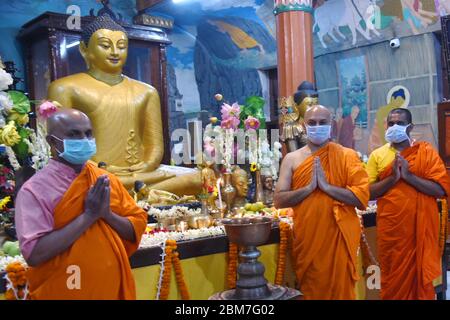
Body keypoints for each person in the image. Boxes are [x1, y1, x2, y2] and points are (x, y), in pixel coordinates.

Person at [47, 14, 201, 194]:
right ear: (84, 49)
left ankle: (134, 192)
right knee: (95, 185)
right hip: (95, 174)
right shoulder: (64, 88)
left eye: (121, 46)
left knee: (199, 178)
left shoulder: (146, 91)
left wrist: (145, 167)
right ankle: (138, 193)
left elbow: (155, 146)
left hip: (142, 174)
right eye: (105, 45)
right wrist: (101, 169)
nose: (114, 52)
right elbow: (61, 146)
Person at [14, 109, 148, 299]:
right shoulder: (34, 191)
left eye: (88, 133)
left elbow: (136, 227)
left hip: (112, 288)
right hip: (64, 291)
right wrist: (89, 216)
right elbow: (35, 253)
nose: (84, 140)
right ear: (52, 142)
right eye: (74, 134)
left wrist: (107, 214)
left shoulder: (105, 179)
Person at [274, 105, 369, 300]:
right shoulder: (291, 159)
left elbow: (361, 198)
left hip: (339, 238)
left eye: (322, 122)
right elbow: (279, 200)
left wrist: (326, 187)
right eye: (312, 123)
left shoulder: (346, 156)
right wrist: (308, 189)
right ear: (303, 125)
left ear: (331, 125)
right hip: (309, 239)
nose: (317, 126)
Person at [366, 108, 450, 300]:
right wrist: (393, 179)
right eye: (391, 123)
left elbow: (440, 190)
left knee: (420, 280)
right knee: (393, 278)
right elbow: (367, 192)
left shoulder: (425, 152)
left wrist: (409, 177)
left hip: (420, 229)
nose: (394, 127)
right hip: (392, 231)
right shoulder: (377, 155)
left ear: (410, 127)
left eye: (400, 123)